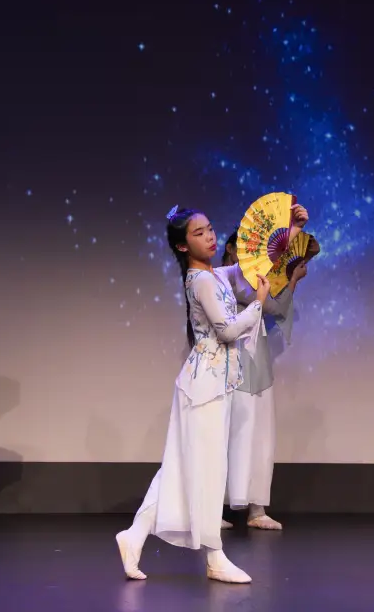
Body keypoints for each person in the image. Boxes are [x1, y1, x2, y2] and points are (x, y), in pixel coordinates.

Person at [116, 206, 268, 583]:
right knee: (208, 468)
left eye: (210, 229)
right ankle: (215, 557)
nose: (210, 236)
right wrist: (258, 304)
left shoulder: (214, 274)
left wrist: (291, 229)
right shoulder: (200, 281)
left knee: (183, 466)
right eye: (199, 233)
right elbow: (228, 331)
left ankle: (134, 536)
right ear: (183, 246)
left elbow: (249, 265)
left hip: (208, 382)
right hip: (204, 388)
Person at [218, 205, 315, 530]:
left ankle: (256, 509)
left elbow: (273, 304)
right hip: (232, 368)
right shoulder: (221, 279)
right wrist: (292, 232)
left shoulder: (254, 279)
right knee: (229, 438)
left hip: (259, 366)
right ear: (231, 249)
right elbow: (253, 295)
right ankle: (215, 509)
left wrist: (293, 278)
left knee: (260, 437)